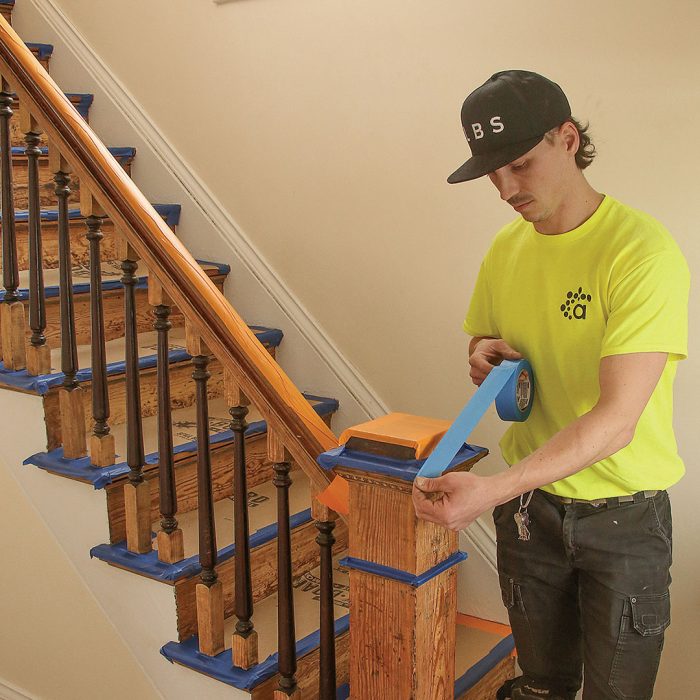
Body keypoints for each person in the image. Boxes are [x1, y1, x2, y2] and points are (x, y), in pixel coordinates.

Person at [412, 70, 689, 700]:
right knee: (541, 687)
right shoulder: (506, 251)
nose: (506, 188)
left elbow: (618, 420)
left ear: (568, 138)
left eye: (521, 165)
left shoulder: (640, 253)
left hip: (625, 519)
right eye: (492, 172)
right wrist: (481, 356)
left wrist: (492, 491)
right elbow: (480, 342)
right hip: (531, 519)